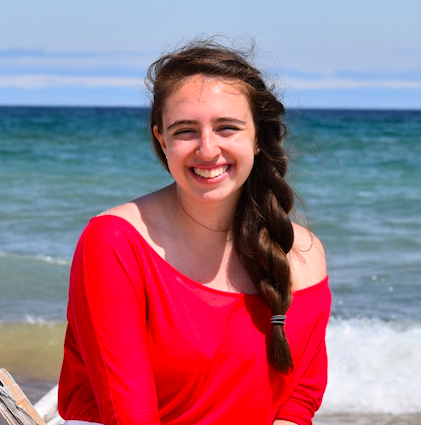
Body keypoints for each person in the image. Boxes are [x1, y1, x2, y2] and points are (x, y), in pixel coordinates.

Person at [58, 39, 331, 425]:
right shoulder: (114, 242)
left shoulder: (303, 254)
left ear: (257, 137)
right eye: (185, 130)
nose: (207, 149)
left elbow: (297, 403)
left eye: (227, 128)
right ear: (161, 139)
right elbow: (128, 415)